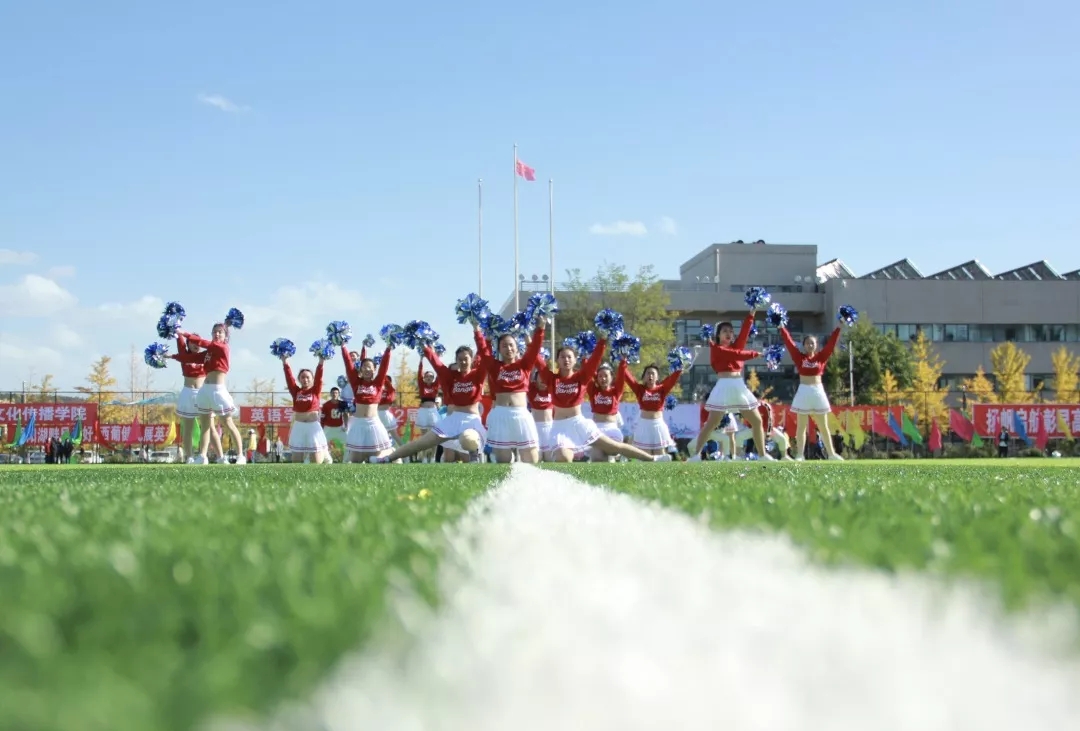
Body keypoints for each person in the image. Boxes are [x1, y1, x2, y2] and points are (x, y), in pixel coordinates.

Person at [370, 325, 488, 464]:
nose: (462, 362)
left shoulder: (477, 375)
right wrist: (422, 343)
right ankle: (386, 459)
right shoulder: (451, 376)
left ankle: (473, 456)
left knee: (469, 438)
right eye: (459, 359)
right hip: (453, 420)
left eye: (466, 359)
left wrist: (476, 330)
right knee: (421, 443)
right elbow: (435, 361)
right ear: (456, 360)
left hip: (471, 420)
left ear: (472, 360)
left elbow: (485, 354)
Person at [541, 339, 671, 463]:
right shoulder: (551, 379)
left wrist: (603, 340)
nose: (566, 360)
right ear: (557, 360)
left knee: (614, 447)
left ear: (575, 360)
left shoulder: (581, 377)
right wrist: (539, 331)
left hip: (579, 423)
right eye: (562, 357)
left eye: (569, 357)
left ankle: (653, 459)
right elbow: (536, 359)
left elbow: (595, 359)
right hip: (560, 426)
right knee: (563, 458)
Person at [688, 308, 771, 461]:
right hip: (724, 386)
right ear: (718, 335)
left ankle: (763, 456)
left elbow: (745, 332)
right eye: (724, 331)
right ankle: (696, 455)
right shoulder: (716, 348)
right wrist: (756, 354)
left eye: (731, 331)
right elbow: (736, 355)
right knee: (711, 423)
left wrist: (751, 313)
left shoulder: (736, 346)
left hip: (739, 385)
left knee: (757, 420)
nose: (728, 333)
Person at [476, 324, 547, 464]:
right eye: (504, 346)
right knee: (503, 461)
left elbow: (535, 348)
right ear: (499, 349)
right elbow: (483, 351)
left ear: (516, 347)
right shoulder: (494, 366)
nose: (508, 349)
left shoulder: (524, 364)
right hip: (500, 415)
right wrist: (478, 331)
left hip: (521, 414)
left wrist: (540, 328)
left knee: (532, 459)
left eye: (511, 345)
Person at [179, 322, 246, 464]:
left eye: (220, 332)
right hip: (205, 390)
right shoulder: (209, 352)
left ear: (225, 336)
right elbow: (189, 358)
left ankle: (241, 455)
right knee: (205, 425)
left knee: (227, 422)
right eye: (214, 332)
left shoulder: (222, 347)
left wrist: (183, 333)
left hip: (218, 390)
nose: (217, 334)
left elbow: (203, 342)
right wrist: (170, 356)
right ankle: (202, 456)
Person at [779, 324, 843, 461]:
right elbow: (789, 343)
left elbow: (831, 344)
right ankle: (800, 455)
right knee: (801, 426)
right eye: (807, 343)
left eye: (812, 343)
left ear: (816, 345)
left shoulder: (821, 357)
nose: (810, 345)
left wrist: (839, 326)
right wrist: (781, 326)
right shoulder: (799, 357)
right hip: (804, 391)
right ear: (804, 345)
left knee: (823, 426)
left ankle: (831, 454)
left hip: (818, 391)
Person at [170, 332, 225, 463]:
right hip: (188, 392)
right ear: (188, 344)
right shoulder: (184, 354)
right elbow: (180, 340)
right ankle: (189, 457)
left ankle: (220, 457)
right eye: (192, 343)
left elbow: (216, 348)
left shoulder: (206, 355)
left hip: (203, 392)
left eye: (197, 343)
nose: (195, 345)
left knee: (210, 427)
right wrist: (176, 327)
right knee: (187, 428)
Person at [341, 343, 395, 463]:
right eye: (364, 366)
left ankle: (390, 452)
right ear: (360, 369)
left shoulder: (378, 383)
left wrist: (388, 348)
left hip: (374, 423)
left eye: (369, 366)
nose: (367, 369)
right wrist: (343, 346)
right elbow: (348, 364)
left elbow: (384, 366)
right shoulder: (356, 382)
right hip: (358, 423)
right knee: (355, 461)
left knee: (375, 459)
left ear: (374, 369)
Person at [618, 360, 683, 456]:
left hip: (658, 424)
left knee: (659, 453)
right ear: (644, 377)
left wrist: (679, 368)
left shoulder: (662, 389)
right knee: (645, 454)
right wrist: (623, 362)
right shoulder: (639, 389)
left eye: (653, 374)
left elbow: (672, 380)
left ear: (657, 377)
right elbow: (628, 378)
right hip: (644, 424)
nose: (650, 376)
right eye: (648, 373)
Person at [281, 351, 330, 464]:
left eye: (308, 377)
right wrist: (285, 362)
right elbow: (289, 379)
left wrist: (321, 362)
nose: (305, 379)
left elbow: (319, 377)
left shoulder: (315, 390)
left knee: (316, 462)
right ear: (299, 379)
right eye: (302, 377)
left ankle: (324, 453)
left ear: (312, 379)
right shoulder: (296, 391)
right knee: (296, 461)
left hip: (313, 427)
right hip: (299, 427)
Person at [587, 363, 626, 462]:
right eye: (600, 376)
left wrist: (622, 363)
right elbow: (587, 373)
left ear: (612, 377)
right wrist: (585, 360)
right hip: (596, 429)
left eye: (606, 376)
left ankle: (615, 455)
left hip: (612, 429)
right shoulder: (593, 391)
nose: (603, 378)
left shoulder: (616, 391)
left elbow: (621, 377)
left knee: (611, 452)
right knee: (597, 458)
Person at [414, 362, 442, 463]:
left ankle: (433, 457)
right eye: (427, 376)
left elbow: (439, 372)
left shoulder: (435, 385)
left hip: (433, 412)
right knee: (424, 436)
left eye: (431, 376)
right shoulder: (422, 385)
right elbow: (419, 373)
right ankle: (424, 457)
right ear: (424, 378)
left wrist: (437, 358)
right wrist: (421, 360)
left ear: (433, 378)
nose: (429, 378)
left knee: (435, 435)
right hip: (423, 412)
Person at [320, 386, 348, 457]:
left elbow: (345, 415)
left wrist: (346, 425)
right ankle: (324, 459)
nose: (334, 394)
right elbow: (323, 417)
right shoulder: (326, 405)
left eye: (336, 393)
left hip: (339, 427)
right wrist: (322, 428)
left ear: (338, 394)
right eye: (333, 393)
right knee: (322, 444)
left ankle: (347, 459)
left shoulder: (342, 404)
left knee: (348, 443)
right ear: (330, 394)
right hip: (328, 428)